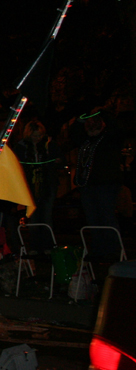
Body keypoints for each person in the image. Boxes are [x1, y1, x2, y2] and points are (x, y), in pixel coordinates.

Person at [69, 108, 124, 259]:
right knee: (92, 218)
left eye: (94, 124)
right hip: (88, 185)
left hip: (106, 184)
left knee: (107, 217)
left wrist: (102, 112)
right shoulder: (85, 141)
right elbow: (73, 135)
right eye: (88, 125)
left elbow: (117, 128)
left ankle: (113, 250)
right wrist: (80, 118)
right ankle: (99, 250)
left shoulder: (110, 139)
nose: (91, 127)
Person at [14, 119, 59, 253]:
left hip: (47, 185)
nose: (37, 139)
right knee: (33, 217)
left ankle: (48, 246)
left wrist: (56, 161)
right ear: (29, 135)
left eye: (39, 136)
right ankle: (35, 247)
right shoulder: (21, 146)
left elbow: (60, 159)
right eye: (34, 136)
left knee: (46, 216)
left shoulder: (49, 144)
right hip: (30, 186)